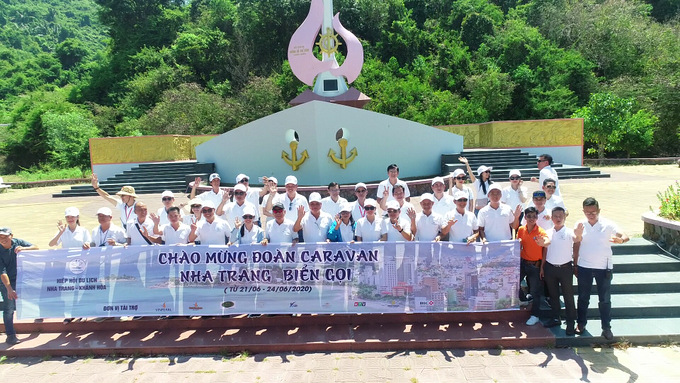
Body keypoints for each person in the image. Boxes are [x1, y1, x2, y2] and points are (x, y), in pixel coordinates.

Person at [574, 197, 629, 341]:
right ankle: (581, 323)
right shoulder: (580, 224)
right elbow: (576, 242)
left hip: (603, 268)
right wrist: (575, 263)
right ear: (583, 211)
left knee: (604, 300)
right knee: (583, 298)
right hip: (584, 266)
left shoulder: (608, 224)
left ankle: (606, 328)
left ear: (599, 210)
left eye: (593, 212)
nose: (591, 215)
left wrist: (621, 240)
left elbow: (624, 235)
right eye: (587, 212)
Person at [541, 207, 583, 335]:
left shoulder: (569, 232)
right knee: (553, 296)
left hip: (565, 268)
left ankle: (571, 323)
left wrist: (579, 233)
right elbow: (545, 250)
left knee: (568, 296)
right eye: (555, 216)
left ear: (565, 217)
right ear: (552, 218)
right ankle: (555, 318)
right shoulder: (547, 232)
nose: (558, 219)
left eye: (561, 216)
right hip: (550, 268)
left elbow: (577, 239)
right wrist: (542, 267)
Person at [0, 227, 39, 345]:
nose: (2, 239)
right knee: (9, 308)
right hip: (6, 282)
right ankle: (10, 335)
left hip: (21, 279)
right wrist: (9, 289)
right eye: (0, 237)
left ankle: (40, 316)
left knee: (34, 296)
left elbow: (36, 247)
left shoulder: (18, 242)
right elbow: (2, 272)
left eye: (5, 236)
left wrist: (24, 248)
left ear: (11, 235)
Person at [517, 207, 551, 326]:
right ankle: (524, 300)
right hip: (523, 263)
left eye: (534, 216)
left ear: (537, 218)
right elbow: (518, 244)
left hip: (535, 265)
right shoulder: (521, 229)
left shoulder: (540, 231)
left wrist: (542, 267)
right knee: (514, 282)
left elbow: (546, 243)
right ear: (525, 217)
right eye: (529, 216)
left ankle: (535, 315)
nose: (531, 219)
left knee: (536, 292)